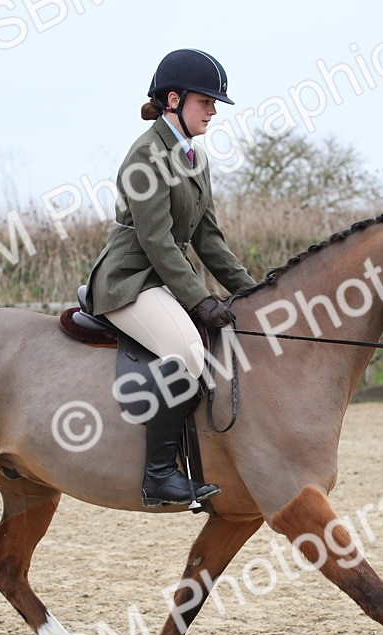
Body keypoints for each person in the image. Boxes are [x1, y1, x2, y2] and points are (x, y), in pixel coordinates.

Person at [83, 48, 257, 509]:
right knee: (185, 349)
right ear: (174, 100)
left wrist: (252, 290)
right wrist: (200, 299)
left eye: (214, 104)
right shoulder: (145, 157)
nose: (214, 112)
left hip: (162, 279)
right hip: (131, 280)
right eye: (207, 102)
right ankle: (159, 475)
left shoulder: (193, 158)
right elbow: (158, 242)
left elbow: (209, 239)